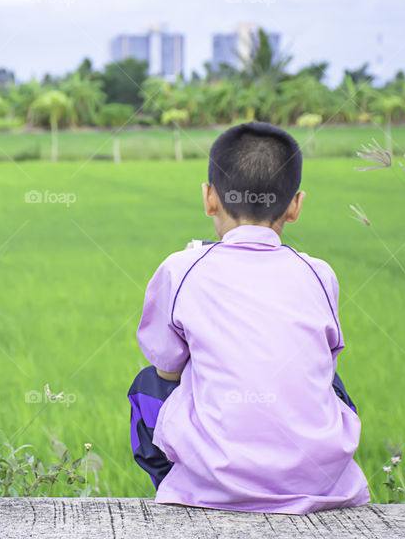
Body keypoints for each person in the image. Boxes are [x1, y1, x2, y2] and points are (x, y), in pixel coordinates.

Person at [128, 121, 369, 514]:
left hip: (213, 481)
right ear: (295, 206)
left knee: (148, 382)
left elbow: (167, 369)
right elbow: (321, 365)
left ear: (209, 199)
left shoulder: (181, 267)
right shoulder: (319, 273)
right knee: (332, 382)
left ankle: (187, 488)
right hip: (320, 483)